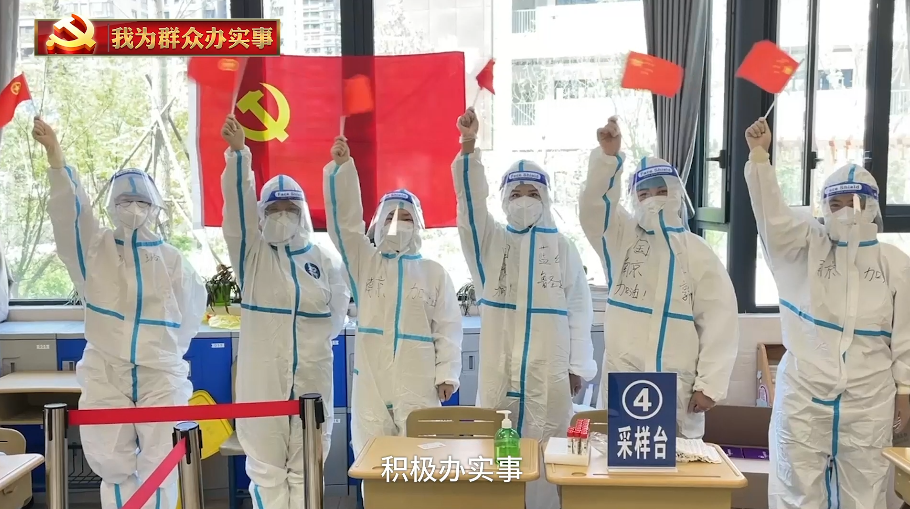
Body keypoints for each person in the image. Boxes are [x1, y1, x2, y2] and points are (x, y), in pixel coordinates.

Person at [32, 117, 206, 509]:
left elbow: (190, 316)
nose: (133, 208)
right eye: (125, 201)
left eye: (141, 201)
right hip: (106, 369)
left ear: (154, 207)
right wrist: (57, 160)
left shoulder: (173, 260)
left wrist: (160, 353)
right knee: (110, 460)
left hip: (161, 374)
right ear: (112, 206)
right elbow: (70, 217)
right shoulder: (94, 251)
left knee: (163, 463)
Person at [744, 117, 910, 509]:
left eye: (854, 203)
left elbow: (906, 336)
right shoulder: (806, 249)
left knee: (864, 498)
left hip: (869, 402)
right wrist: (760, 159)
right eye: (835, 204)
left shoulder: (893, 263)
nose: (844, 212)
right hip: (804, 398)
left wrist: (905, 391)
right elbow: (773, 219)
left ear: (872, 206)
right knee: (796, 495)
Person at [453, 107, 597, 509]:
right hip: (499, 372)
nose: (524, 201)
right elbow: (469, 211)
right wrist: (469, 147)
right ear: (503, 200)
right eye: (515, 194)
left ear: (546, 198)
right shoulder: (491, 244)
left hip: (549, 373)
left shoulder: (562, 248)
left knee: (548, 453)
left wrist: (577, 366)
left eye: (532, 193)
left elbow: (579, 309)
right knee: (497, 456)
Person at [578, 116, 739, 439]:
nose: (653, 199)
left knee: (676, 464)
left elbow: (720, 320)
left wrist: (709, 384)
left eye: (662, 190)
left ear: (677, 192)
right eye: (644, 193)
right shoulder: (620, 238)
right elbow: (594, 208)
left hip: (677, 386)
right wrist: (608, 159)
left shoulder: (697, 252)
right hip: (624, 379)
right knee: (622, 455)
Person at [220, 116, 349, 508]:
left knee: (308, 470)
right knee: (267, 472)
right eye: (273, 208)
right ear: (262, 213)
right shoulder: (252, 256)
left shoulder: (324, 260)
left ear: (302, 213)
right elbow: (236, 215)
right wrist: (239, 156)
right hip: (263, 384)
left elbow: (336, 316)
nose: (281, 215)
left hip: (313, 380)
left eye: (289, 208)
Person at [323, 135, 463, 465]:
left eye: (407, 218)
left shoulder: (433, 272)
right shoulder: (364, 263)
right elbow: (345, 228)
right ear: (378, 224)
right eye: (390, 217)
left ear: (418, 226)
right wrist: (343, 170)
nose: (398, 224)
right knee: (374, 463)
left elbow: (447, 326)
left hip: (418, 381)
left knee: (422, 463)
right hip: (372, 382)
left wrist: (447, 373)